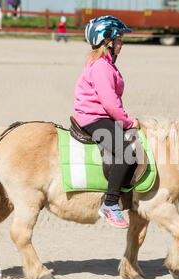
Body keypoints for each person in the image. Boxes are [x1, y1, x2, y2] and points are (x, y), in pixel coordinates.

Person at [73, 16, 139, 229]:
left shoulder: (104, 63)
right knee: (127, 153)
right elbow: (109, 102)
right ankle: (110, 203)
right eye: (119, 40)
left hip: (100, 115)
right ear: (106, 42)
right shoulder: (101, 66)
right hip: (94, 117)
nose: (122, 44)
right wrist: (127, 122)